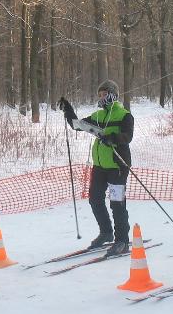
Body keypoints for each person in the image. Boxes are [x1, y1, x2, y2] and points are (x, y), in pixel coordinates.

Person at [57, 80, 134, 257]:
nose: (101, 97)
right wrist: (68, 110)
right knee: (95, 199)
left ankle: (122, 240)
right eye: (99, 94)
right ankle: (106, 232)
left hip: (117, 166)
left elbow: (127, 136)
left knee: (117, 203)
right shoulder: (98, 115)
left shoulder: (124, 115)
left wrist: (113, 138)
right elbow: (77, 125)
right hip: (99, 166)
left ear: (113, 94)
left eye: (104, 94)